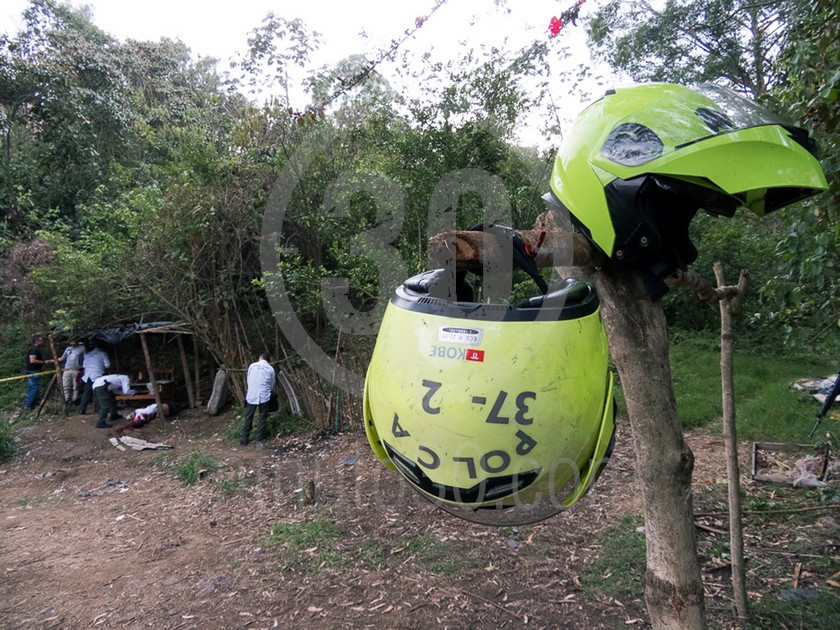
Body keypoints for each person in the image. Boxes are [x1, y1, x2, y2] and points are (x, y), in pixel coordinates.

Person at [240, 351, 275, 445]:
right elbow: (272, 384)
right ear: (268, 360)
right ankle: (260, 438)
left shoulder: (252, 366)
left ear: (260, 357)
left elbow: (249, 380)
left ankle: (244, 438)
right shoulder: (270, 369)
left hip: (252, 394)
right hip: (264, 395)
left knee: (248, 416)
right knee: (262, 416)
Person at [22, 335, 56, 411]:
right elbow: (32, 360)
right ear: (37, 341)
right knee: (34, 388)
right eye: (41, 340)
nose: (42, 341)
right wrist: (43, 362)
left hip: (32, 371)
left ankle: (30, 405)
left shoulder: (34, 349)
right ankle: (28, 406)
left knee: (32, 388)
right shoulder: (34, 349)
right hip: (33, 371)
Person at [77, 341, 111, 415]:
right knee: (98, 393)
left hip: (88, 376)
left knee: (86, 393)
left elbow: (84, 366)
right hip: (98, 375)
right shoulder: (103, 354)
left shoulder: (87, 354)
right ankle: (99, 409)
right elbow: (107, 365)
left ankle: (81, 409)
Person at [59, 339, 85, 404]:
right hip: (67, 369)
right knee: (65, 385)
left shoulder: (82, 348)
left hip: (77, 370)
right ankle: (66, 400)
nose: (72, 343)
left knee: (76, 386)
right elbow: (63, 358)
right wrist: (51, 361)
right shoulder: (68, 349)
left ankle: (74, 400)